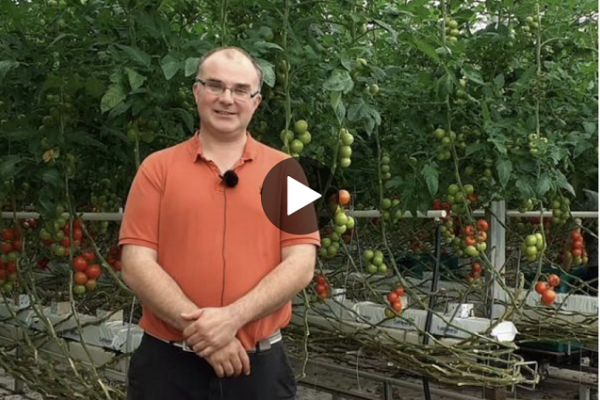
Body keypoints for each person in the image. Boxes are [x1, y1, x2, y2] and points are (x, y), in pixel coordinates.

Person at [119, 46, 320, 400]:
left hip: (257, 370)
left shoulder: (288, 172)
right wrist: (208, 338)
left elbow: (302, 264)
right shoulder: (156, 169)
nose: (227, 99)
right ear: (197, 92)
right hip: (168, 369)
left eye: (241, 90)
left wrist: (232, 319)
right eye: (215, 86)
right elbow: (136, 264)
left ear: (256, 101)